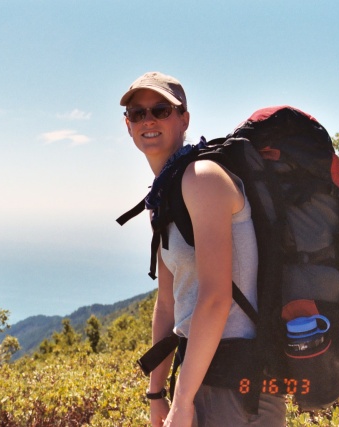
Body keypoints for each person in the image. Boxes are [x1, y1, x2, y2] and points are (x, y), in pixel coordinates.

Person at [119, 72, 286, 427]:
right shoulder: (164, 195)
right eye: (137, 113)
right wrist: (156, 394)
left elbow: (215, 297)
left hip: (240, 386)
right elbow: (167, 303)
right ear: (128, 125)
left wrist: (182, 404)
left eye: (161, 110)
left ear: (184, 119)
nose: (148, 119)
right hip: (198, 377)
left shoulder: (203, 178)